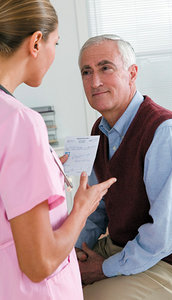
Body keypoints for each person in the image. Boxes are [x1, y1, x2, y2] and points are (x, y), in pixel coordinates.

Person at [0, 3, 116, 299]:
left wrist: (44, 169)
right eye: (56, 43)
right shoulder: (21, 123)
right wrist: (82, 209)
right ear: (36, 42)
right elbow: (40, 264)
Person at [75, 34, 172, 300]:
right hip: (128, 247)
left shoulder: (164, 132)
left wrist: (105, 269)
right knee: (58, 281)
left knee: (90, 297)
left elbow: (170, 233)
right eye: (87, 72)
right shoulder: (100, 131)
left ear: (132, 73)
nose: (95, 81)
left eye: (105, 68)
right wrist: (70, 249)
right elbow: (97, 209)